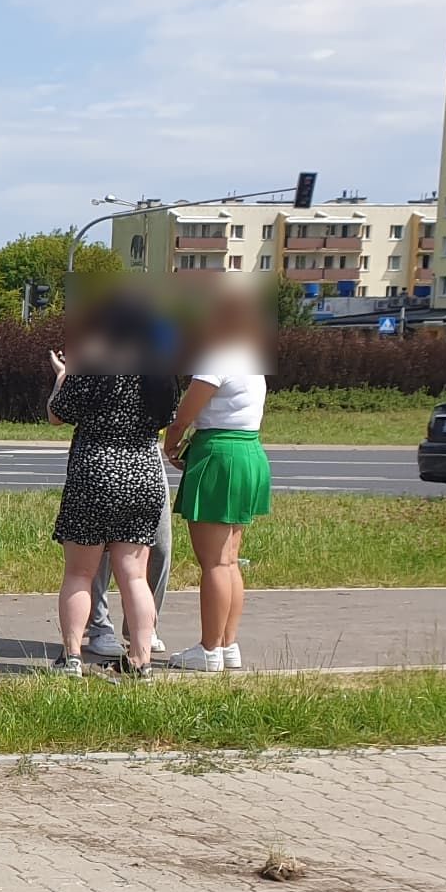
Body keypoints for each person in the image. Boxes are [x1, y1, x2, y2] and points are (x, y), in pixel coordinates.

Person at [46, 293, 177, 678]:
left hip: (95, 470)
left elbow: (58, 414)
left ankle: (72, 657)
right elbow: (167, 414)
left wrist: (61, 375)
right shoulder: (159, 367)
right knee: (135, 574)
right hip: (143, 471)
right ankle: (141, 659)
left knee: (80, 573)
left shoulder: (93, 360)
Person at [163, 288, 271, 672]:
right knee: (229, 559)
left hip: (219, 454)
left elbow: (184, 414)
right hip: (249, 451)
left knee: (212, 562)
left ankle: (208, 649)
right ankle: (227, 644)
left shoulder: (216, 358)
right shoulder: (250, 361)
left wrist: (170, 445)